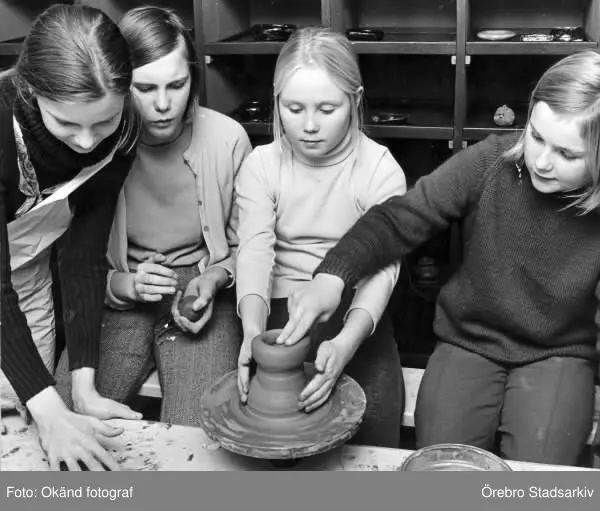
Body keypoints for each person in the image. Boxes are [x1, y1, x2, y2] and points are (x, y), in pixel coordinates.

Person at [278, 50, 600, 465]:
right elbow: (398, 219)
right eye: (536, 136)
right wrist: (333, 275)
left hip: (560, 353)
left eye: (567, 154)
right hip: (469, 340)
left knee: (540, 467)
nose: (540, 161)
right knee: (439, 461)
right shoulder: (490, 161)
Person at [55, 6, 251, 427]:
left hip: (200, 290)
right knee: (67, 418)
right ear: (118, 85)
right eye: (145, 88)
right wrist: (124, 284)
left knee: (198, 432)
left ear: (193, 79)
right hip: (118, 291)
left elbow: (249, 246)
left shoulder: (228, 139)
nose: (163, 105)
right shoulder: (92, 141)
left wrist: (214, 280)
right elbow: (75, 262)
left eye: (176, 85)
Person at [234, 27, 406, 448]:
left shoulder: (380, 169)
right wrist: (252, 332)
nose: (309, 126)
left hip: (355, 310)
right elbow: (254, 251)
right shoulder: (261, 165)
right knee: (266, 433)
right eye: (293, 108)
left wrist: (346, 343)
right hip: (277, 308)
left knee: (374, 427)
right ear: (276, 100)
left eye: (327, 109)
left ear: (355, 100)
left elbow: (383, 271)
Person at [0, 4, 141, 471]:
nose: (86, 142)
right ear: (30, 89)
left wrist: (83, 387)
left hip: (26, 272)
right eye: (66, 123)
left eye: (102, 122)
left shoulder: (124, 127)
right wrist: (49, 409)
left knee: (24, 432)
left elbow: (83, 254)